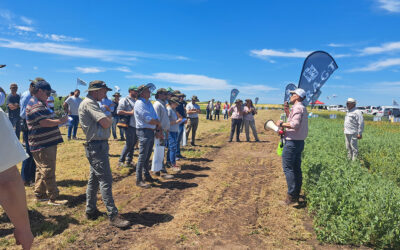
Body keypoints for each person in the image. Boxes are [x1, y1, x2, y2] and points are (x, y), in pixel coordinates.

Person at [78, 80, 130, 228]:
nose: (106, 94)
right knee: (106, 180)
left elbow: (105, 121)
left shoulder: (92, 103)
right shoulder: (90, 103)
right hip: (97, 146)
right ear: (96, 91)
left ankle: (90, 210)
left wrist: (107, 116)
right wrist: (109, 117)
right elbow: (106, 123)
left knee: (94, 179)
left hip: (97, 145)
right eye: (104, 91)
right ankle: (113, 215)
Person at [26, 78, 68, 205]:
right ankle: (53, 197)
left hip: (42, 143)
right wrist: (61, 121)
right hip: (42, 144)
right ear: (39, 91)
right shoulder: (35, 105)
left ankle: (40, 194)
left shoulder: (39, 103)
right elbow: (44, 122)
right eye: (48, 93)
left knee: (41, 170)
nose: (49, 96)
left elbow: (46, 118)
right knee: (48, 169)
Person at [276, 88, 308, 205]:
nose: (291, 96)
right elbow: (295, 121)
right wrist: (287, 111)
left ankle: (291, 196)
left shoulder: (298, 107)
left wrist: (281, 124)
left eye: (293, 94)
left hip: (292, 143)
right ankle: (296, 193)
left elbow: (294, 124)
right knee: (296, 168)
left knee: (288, 168)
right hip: (299, 142)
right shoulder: (301, 108)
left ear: (298, 96)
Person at [134, 84, 162, 188]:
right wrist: (157, 123)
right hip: (143, 131)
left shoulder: (148, 103)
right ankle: (138, 179)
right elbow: (149, 119)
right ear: (142, 93)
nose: (150, 92)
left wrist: (157, 125)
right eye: (147, 91)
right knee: (142, 156)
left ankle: (146, 175)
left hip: (150, 131)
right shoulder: (139, 103)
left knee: (147, 155)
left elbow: (154, 117)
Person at [152, 88, 174, 179]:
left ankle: (158, 170)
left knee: (161, 151)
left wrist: (166, 130)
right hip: (160, 131)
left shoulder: (163, 104)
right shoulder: (157, 105)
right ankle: (161, 171)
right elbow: (157, 120)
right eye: (165, 94)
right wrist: (158, 131)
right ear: (159, 95)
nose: (166, 96)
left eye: (167, 94)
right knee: (159, 151)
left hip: (163, 131)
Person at [19, 81, 37, 186]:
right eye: (36, 88)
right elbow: (23, 114)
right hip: (27, 124)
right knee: (29, 152)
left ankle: (31, 177)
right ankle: (25, 179)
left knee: (33, 151)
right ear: (31, 86)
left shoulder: (32, 95)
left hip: (30, 124)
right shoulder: (27, 96)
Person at [117, 86, 138, 168]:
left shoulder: (136, 101)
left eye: (137, 91)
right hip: (129, 124)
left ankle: (129, 160)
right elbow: (119, 111)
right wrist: (130, 113)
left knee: (133, 143)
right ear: (130, 91)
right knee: (129, 143)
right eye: (135, 91)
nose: (136, 92)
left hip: (136, 125)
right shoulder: (124, 99)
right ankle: (121, 160)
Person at [167, 97, 183, 172]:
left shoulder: (173, 110)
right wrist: (177, 121)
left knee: (171, 147)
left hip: (174, 130)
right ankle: (173, 164)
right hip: (171, 131)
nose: (177, 105)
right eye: (176, 104)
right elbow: (167, 123)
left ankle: (169, 162)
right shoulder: (169, 110)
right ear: (172, 103)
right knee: (173, 147)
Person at [175, 93, 187, 159]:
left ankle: (178, 153)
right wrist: (182, 119)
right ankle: (176, 154)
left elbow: (183, 112)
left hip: (182, 122)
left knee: (179, 139)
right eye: (181, 97)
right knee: (177, 139)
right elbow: (176, 113)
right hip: (178, 123)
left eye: (183, 97)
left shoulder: (182, 104)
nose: (182, 98)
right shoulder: (177, 104)